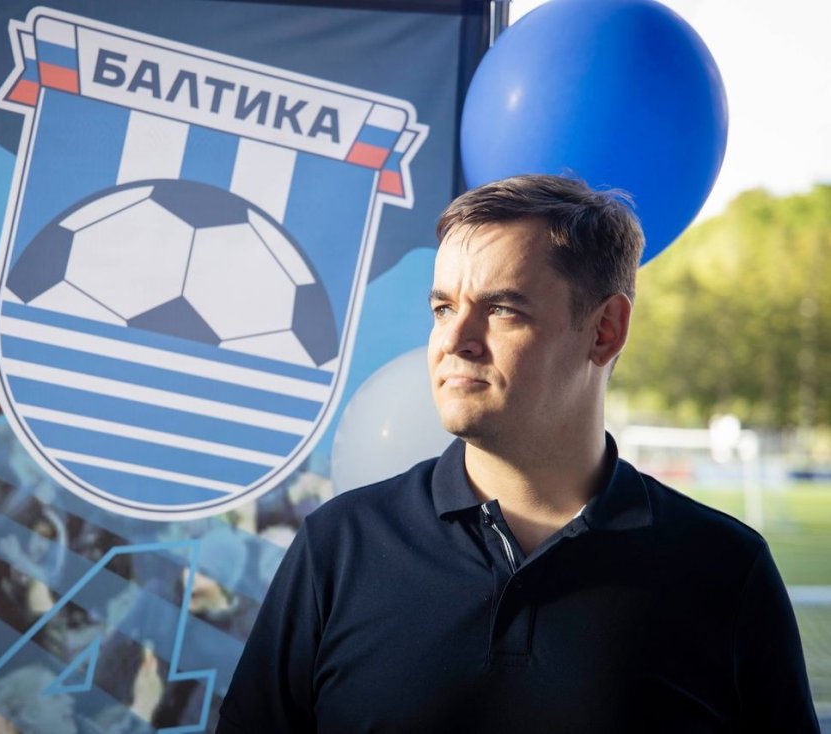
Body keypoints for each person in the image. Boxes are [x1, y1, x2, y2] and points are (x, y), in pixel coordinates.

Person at [217, 174, 819, 733]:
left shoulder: (725, 571)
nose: (454, 341)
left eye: (501, 309)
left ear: (605, 330)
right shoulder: (338, 547)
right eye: (443, 308)